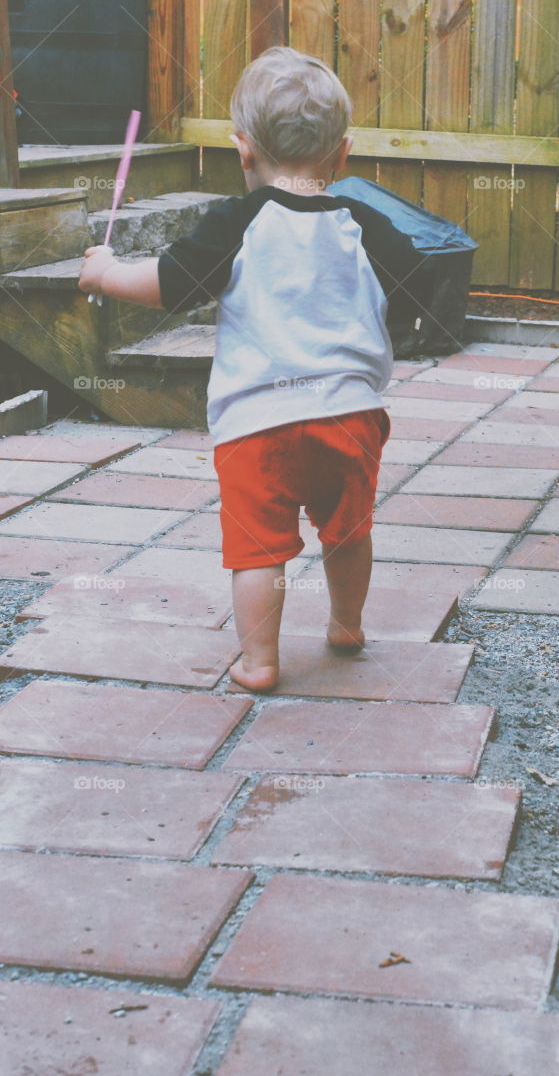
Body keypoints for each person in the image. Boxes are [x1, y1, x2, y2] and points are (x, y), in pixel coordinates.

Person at [79, 46, 425, 692]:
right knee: (348, 532)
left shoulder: (238, 222)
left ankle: (260, 661)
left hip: (258, 425)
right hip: (350, 417)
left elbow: (170, 285)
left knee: (259, 550)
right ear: (342, 154)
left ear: (243, 150)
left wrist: (106, 273)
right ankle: (346, 625)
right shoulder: (365, 223)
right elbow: (418, 286)